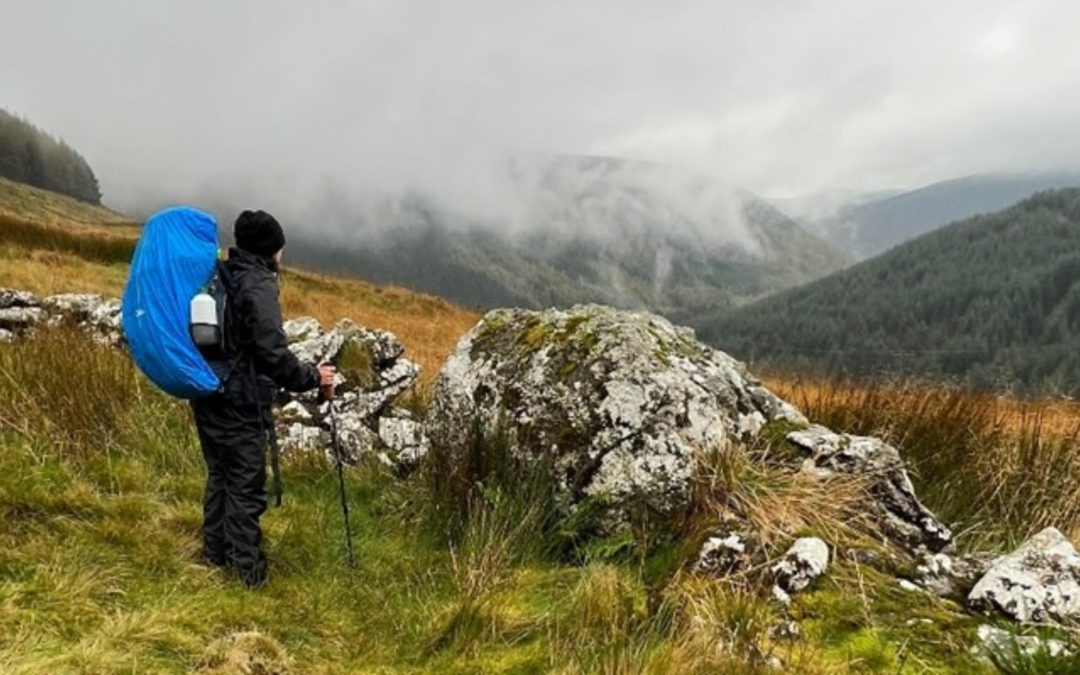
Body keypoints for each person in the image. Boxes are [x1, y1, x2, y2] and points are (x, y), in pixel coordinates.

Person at [190, 209, 335, 587]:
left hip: (208, 391)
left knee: (220, 474)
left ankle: (215, 555)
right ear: (271, 249)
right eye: (280, 247)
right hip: (241, 401)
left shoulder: (221, 274)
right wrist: (311, 377)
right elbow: (272, 352)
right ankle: (246, 575)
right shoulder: (258, 284)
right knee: (245, 485)